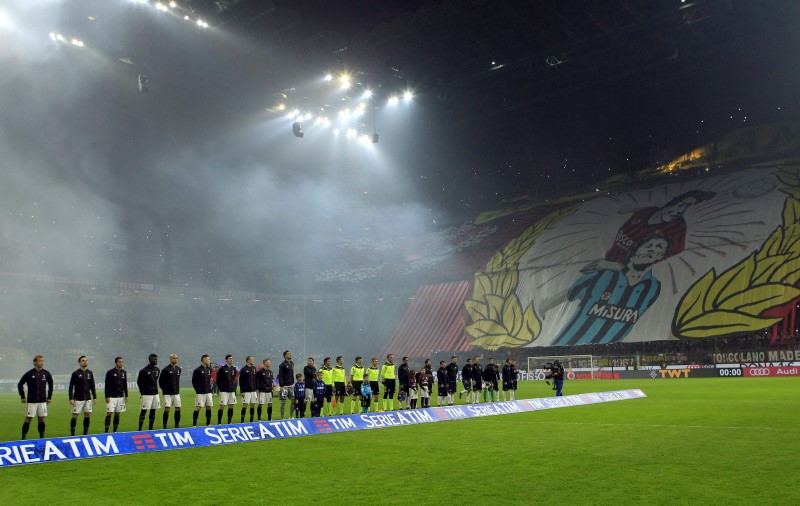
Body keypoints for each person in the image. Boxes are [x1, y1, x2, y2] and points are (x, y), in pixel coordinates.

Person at [544, 235, 670, 346]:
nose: (653, 249)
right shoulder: (603, 275)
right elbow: (568, 294)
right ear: (635, 250)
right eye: (649, 245)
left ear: (661, 256)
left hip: (605, 361)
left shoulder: (653, 287)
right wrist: (543, 308)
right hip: (566, 350)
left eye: (659, 247)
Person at [18, 355, 54, 439]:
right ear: (35, 362)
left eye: (42, 361)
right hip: (32, 401)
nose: (42, 362)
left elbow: (51, 384)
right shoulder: (29, 373)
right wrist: (22, 397)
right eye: (40, 361)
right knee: (28, 419)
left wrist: (49, 397)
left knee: (41, 419)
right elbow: (20, 384)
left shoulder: (46, 373)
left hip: (42, 400)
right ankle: (23, 437)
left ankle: (42, 437)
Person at [68, 355, 96, 436]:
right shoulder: (75, 373)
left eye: (86, 360)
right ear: (79, 362)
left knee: (87, 414)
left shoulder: (89, 373)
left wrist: (94, 396)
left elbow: (92, 385)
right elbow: (71, 386)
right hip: (78, 398)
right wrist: (71, 398)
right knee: (75, 415)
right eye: (83, 360)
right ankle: (72, 433)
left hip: (88, 398)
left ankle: (85, 433)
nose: (85, 362)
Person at [137, 353, 161, 431]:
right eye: (154, 359)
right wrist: (143, 391)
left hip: (155, 394)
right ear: (150, 360)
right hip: (146, 395)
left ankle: (151, 428)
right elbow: (139, 382)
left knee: (153, 410)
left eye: (156, 359)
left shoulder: (157, 370)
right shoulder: (143, 371)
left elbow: (156, 380)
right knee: (144, 411)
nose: (156, 360)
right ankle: (140, 429)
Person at [104, 356, 128, 433]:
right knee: (109, 413)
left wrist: (126, 395)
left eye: (122, 362)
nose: (121, 363)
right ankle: (106, 431)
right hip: (111, 397)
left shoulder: (124, 372)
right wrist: (107, 396)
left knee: (117, 414)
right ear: (116, 363)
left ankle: (115, 431)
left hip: (120, 397)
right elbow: (107, 385)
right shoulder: (110, 372)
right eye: (119, 362)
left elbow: (125, 385)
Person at [159, 353, 182, 429]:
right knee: (167, 409)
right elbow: (161, 381)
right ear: (170, 359)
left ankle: (176, 425)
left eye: (176, 358)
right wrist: (165, 389)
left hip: (176, 392)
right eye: (173, 358)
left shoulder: (178, 369)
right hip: (167, 393)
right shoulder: (165, 370)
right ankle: (165, 425)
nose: (175, 359)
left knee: (178, 408)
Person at [192, 355, 213, 426]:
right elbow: (194, 382)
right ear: (203, 360)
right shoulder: (197, 370)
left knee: (209, 407)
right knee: (198, 408)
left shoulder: (209, 369)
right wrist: (198, 390)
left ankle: (208, 424)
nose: (209, 360)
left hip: (208, 392)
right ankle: (194, 425)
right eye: (208, 359)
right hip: (200, 393)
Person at [216, 354, 237, 424]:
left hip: (231, 390)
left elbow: (233, 379)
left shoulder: (234, 369)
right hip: (224, 391)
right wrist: (221, 388)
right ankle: (219, 422)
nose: (231, 360)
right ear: (226, 360)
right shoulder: (222, 369)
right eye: (230, 358)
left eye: (232, 358)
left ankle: (229, 421)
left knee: (231, 406)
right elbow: (218, 380)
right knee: (222, 406)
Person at [239, 356, 258, 423]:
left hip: (253, 390)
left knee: (252, 405)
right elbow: (241, 381)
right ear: (248, 360)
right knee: (245, 405)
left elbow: (256, 379)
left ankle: (251, 421)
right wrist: (242, 391)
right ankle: (242, 421)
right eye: (251, 359)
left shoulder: (254, 368)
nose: (253, 360)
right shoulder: (243, 369)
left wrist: (256, 389)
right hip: (246, 391)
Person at [278, 350, 295, 419]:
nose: (290, 355)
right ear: (285, 356)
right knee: (283, 402)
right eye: (288, 354)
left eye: (290, 354)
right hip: (284, 386)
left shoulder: (292, 363)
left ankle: (291, 416)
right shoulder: (282, 365)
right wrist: (281, 386)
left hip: (291, 386)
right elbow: (280, 375)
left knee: (294, 400)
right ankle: (282, 418)